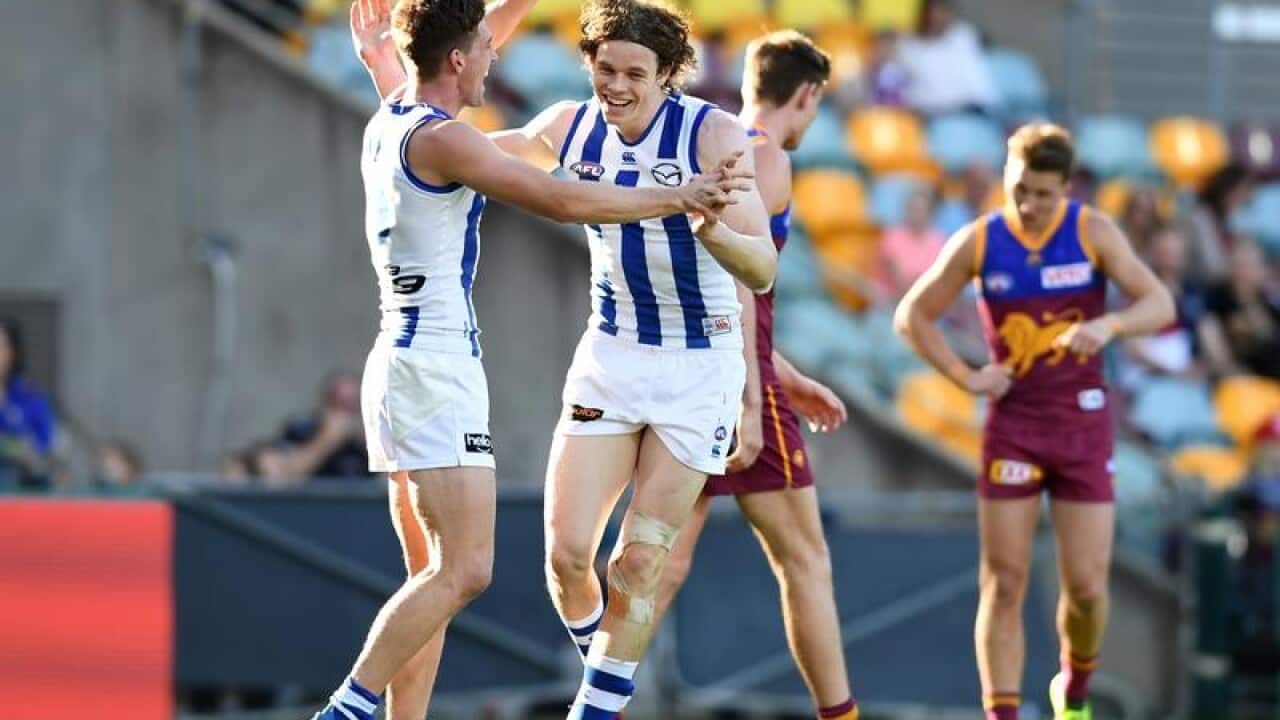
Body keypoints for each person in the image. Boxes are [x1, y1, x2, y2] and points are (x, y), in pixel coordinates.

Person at [309, 2, 752, 720]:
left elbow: (443, 64)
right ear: (458, 60)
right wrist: (678, 196)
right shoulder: (447, 139)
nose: (497, 55)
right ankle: (344, 710)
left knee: (430, 581)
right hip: (435, 367)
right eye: (486, 47)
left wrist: (394, 58)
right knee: (462, 571)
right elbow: (557, 197)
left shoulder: (393, 114)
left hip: (398, 361)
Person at [893, 123, 1174, 720]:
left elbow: (1159, 303)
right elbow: (912, 315)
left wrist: (1110, 325)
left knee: (1087, 587)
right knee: (1004, 581)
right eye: (1019, 188)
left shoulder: (1092, 232)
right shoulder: (981, 240)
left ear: (1066, 189)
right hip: (1014, 427)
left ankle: (1074, 689)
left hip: (1082, 425)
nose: (1028, 204)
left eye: (1043, 194)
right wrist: (965, 376)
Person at [647, 31, 861, 720]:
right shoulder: (768, 159)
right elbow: (738, 283)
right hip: (735, 384)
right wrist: (754, 394)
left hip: (688, 370)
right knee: (804, 560)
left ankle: (598, 706)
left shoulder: (714, 148)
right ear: (807, 95)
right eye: (816, 106)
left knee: (659, 567)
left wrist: (783, 370)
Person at [0, 316, 56, 489]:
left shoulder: (31, 398)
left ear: (14, 353)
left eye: (1, 346)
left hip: (21, 491)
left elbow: (43, 448)